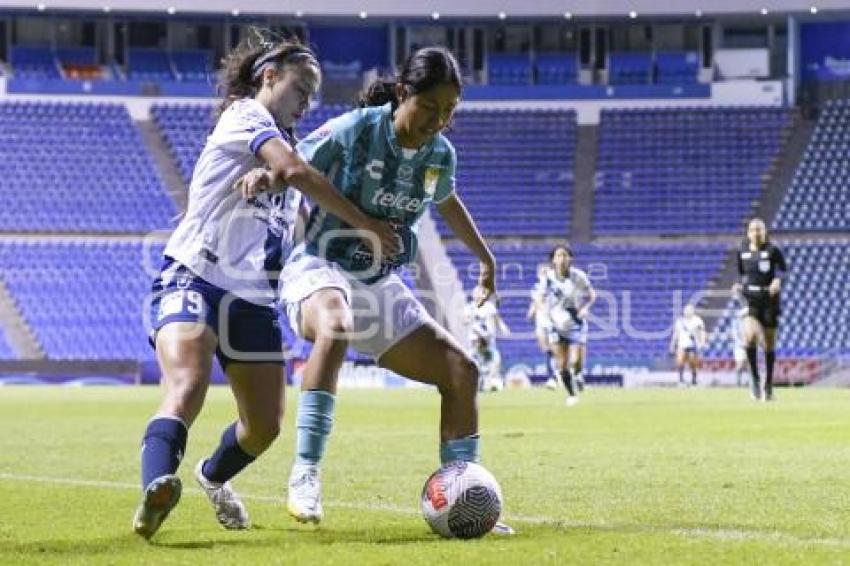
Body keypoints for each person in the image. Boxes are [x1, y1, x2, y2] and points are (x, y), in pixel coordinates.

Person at [133, 35, 397, 540]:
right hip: (195, 274)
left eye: (312, 96)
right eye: (302, 89)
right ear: (269, 77)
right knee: (187, 385)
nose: (306, 102)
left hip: (251, 298)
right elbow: (297, 172)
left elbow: (290, 193)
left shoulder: (284, 149)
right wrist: (364, 222)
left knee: (265, 428)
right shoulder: (245, 117)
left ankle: (211, 476)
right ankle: (156, 490)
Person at [240, 46, 512, 534]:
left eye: (449, 111)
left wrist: (485, 258)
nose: (439, 121)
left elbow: (447, 201)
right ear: (404, 92)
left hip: (376, 281)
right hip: (317, 265)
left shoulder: (439, 155)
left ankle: (465, 491)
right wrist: (265, 174)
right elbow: (294, 164)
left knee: (462, 372)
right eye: (430, 107)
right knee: (336, 324)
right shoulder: (358, 129)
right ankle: (305, 473)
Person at [732, 217, 787, 401]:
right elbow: (741, 274)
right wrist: (738, 285)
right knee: (750, 335)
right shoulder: (742, 250)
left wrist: (777, 279)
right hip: (751, 301)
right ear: (748, 233)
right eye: (753, 230)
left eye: (759, 229)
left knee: (769, 344)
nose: (756, 233)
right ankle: (754, 378)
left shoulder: (772, 250)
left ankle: (769, 383)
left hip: (770, 301)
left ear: (765, 232)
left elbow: (783, 269)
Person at [538, 245, 596, 406]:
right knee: (561, 364)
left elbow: (592, 295)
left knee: (576, 361)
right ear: (553, 260)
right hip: (556, 324)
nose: (562, 259)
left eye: (565, 255)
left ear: (570, 259)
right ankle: (572, 394)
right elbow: (539, 299)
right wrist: (546, 314)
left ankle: (578, 374)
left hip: (575, 323)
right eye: (558, 256)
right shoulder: (548, 278)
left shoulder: (578, 276)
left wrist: (585, 308)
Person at [465, 285, 510, 391]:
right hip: (475, 339)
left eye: (479, 293)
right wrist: (470, 323)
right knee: (475, 360)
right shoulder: (469, 307)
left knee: (494, 360)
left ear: (484, 295)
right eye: (475, 293)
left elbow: (496, 318)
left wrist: (503, 327)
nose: (476, 295)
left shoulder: (489, 306)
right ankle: (477, 382)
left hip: (488, 339)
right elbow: (464, 320)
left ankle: (493, 382)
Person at [527, 263, 557, 389]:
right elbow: (535, 304)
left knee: (552, 349)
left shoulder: (554, 286)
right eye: (541, 272)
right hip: (541, 322)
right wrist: (531, 313)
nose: (543, 274)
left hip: (553, 321)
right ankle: (555, 375)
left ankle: (553, 377)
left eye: (545, 271)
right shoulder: (536, 288)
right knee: (546, 349)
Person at [669, 304, 706, 387]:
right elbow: (676, 334)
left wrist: (702, 342)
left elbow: (702, 332)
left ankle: (694, 380)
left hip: (693, 344)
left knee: (692, 363)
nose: (687, 312)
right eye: (686, 310)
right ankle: (681, 380)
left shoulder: (697, 320)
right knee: (680, 362)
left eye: (689, 310)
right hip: (682, 344)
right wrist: (672, 344)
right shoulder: (680, 321)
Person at [730, 302, 749, 387]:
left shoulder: (750, 322)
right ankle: (738, 383)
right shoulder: (736, 323)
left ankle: (751, 382)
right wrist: (742, 343)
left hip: (748, 346)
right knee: (740, 364)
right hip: (739, 346)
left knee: (749, 365)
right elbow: (735, 335)